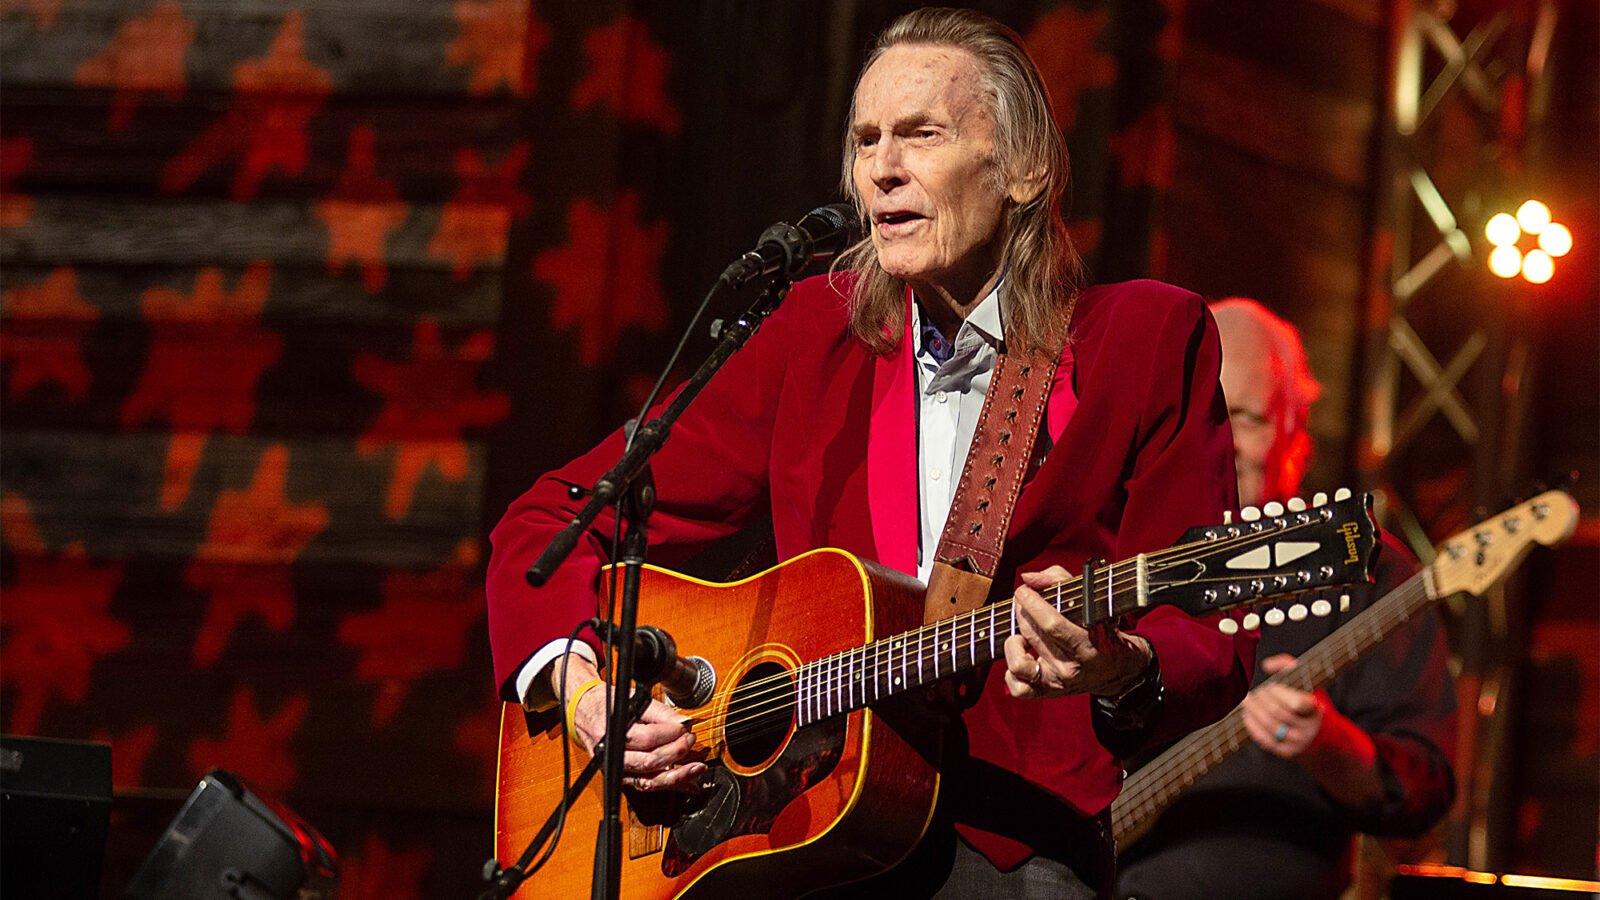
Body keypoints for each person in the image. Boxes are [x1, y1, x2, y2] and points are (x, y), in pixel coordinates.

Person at [488, 9, 1254, 897]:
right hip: (794, 828)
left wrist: (1123, 666)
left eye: (922, 134)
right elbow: (551, 525)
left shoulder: (1145, 338)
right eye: (865, 142)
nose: (882, 167)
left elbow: (1208, 625)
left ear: (1024, 168)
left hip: (1009, 842)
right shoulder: (812, 330)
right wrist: (586, 693)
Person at [1115, 297, 1458, 900]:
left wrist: (1332, 746)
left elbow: (1425, 789)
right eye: (1206, 417)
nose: (1224, 443)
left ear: (1296, 429)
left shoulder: (1368, 567)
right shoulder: (1123, 559)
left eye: (1245, 417)